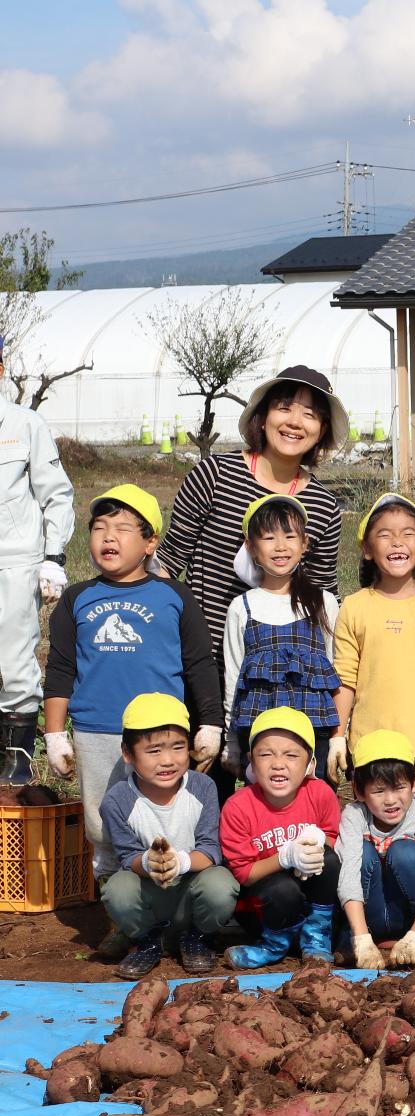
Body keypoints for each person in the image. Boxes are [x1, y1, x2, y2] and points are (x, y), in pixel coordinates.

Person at [155, 365, 348, 795]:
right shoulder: (214, 476)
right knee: (204, 790)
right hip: (203, 663)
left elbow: (323, 592)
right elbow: (167, 565)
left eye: (311, 415)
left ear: (322, 432)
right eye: (284, 408)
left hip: (284, 677)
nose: (295, 422)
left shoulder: (323, 506)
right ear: (262, 417)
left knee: (286, 795)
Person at [42, 485, 223, 875]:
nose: (108, 537)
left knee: (167, 820)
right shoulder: (77, 599)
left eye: (123, 528)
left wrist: (209, 724)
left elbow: (199, 664)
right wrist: (54, 735)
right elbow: (59, 670)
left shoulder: (175, 595)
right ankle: (118, 907)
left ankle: (176, 910)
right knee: (102, 824)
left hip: (161, 735)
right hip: (97, 730)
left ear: (150, 542)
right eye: (99, 528)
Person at [331, 494, 415, 807]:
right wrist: (338, 735)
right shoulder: (355, 606)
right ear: (366, 549)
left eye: (407, 534)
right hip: (369, 745)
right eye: (384, 534)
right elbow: (345, 677)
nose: (397, 542)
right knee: (370, 829)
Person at [96, 693, 235, 979]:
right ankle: (148, 940)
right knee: (117, 890)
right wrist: (149, 863)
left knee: (221, 885)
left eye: (178, 747)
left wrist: (180, 862)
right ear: (127, 753)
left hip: (191, 891)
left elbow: (210, 848)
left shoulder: (203, 788)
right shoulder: (117, 800)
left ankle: (197, 937)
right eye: (154, 750)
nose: (168, 760)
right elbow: (127, 857)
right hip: (150, 894)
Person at [0, 334, 76, 783]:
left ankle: (16, 767)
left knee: (13, 664)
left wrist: (53, 556)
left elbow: (56, 494)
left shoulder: (24, 425)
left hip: (14, 561)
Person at [221, 494, 339, 777]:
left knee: (315, 805)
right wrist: (231, 742)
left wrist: (338, 737)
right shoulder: (242, 607)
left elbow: (336, 668)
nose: (281, 547)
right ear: (250, 547)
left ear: (305, 543)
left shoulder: (323, 602)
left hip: (315, 728)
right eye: (269, 538)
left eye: (289, 536)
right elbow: (233, 677)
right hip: (260, 733)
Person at [220, 706, 343, 969]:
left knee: (329, 859)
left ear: (310, 764)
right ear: (251, 762)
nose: (278, 764)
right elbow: (244, 873)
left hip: (309, 892)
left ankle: (316, 937)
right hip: (261, 901)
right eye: (266, 754)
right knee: (282, 889)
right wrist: (287, 857)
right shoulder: (238, 806)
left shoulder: (321, 793)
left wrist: (315, 847)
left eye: (291, 755)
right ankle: (273, 945)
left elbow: (331, 836)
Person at [334, 729, 415, 969]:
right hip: (366, 917)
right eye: (378, 791)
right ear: (359, 790)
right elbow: (349, 875)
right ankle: (355, 937)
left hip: (409, 918)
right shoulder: (354, 816)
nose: (390, 800)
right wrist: (361, 937)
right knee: (362, 853)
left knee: (405, 851)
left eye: (399, 788)